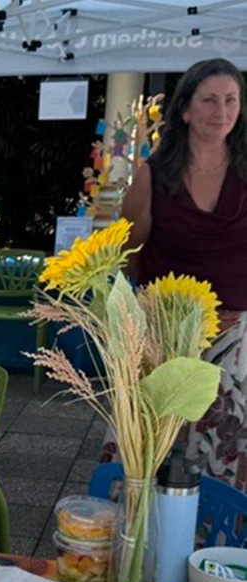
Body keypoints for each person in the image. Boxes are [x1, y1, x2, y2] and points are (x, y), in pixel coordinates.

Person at [121, 58, 247, 488]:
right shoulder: (151, 177)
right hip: (165, 338)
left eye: (231, 100)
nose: (221, 110)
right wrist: (163, 319)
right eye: (209, 99)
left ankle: (210, 549)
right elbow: (130, 254)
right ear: (186, 110)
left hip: (234, 341)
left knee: (224, 458)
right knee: (155, 451)